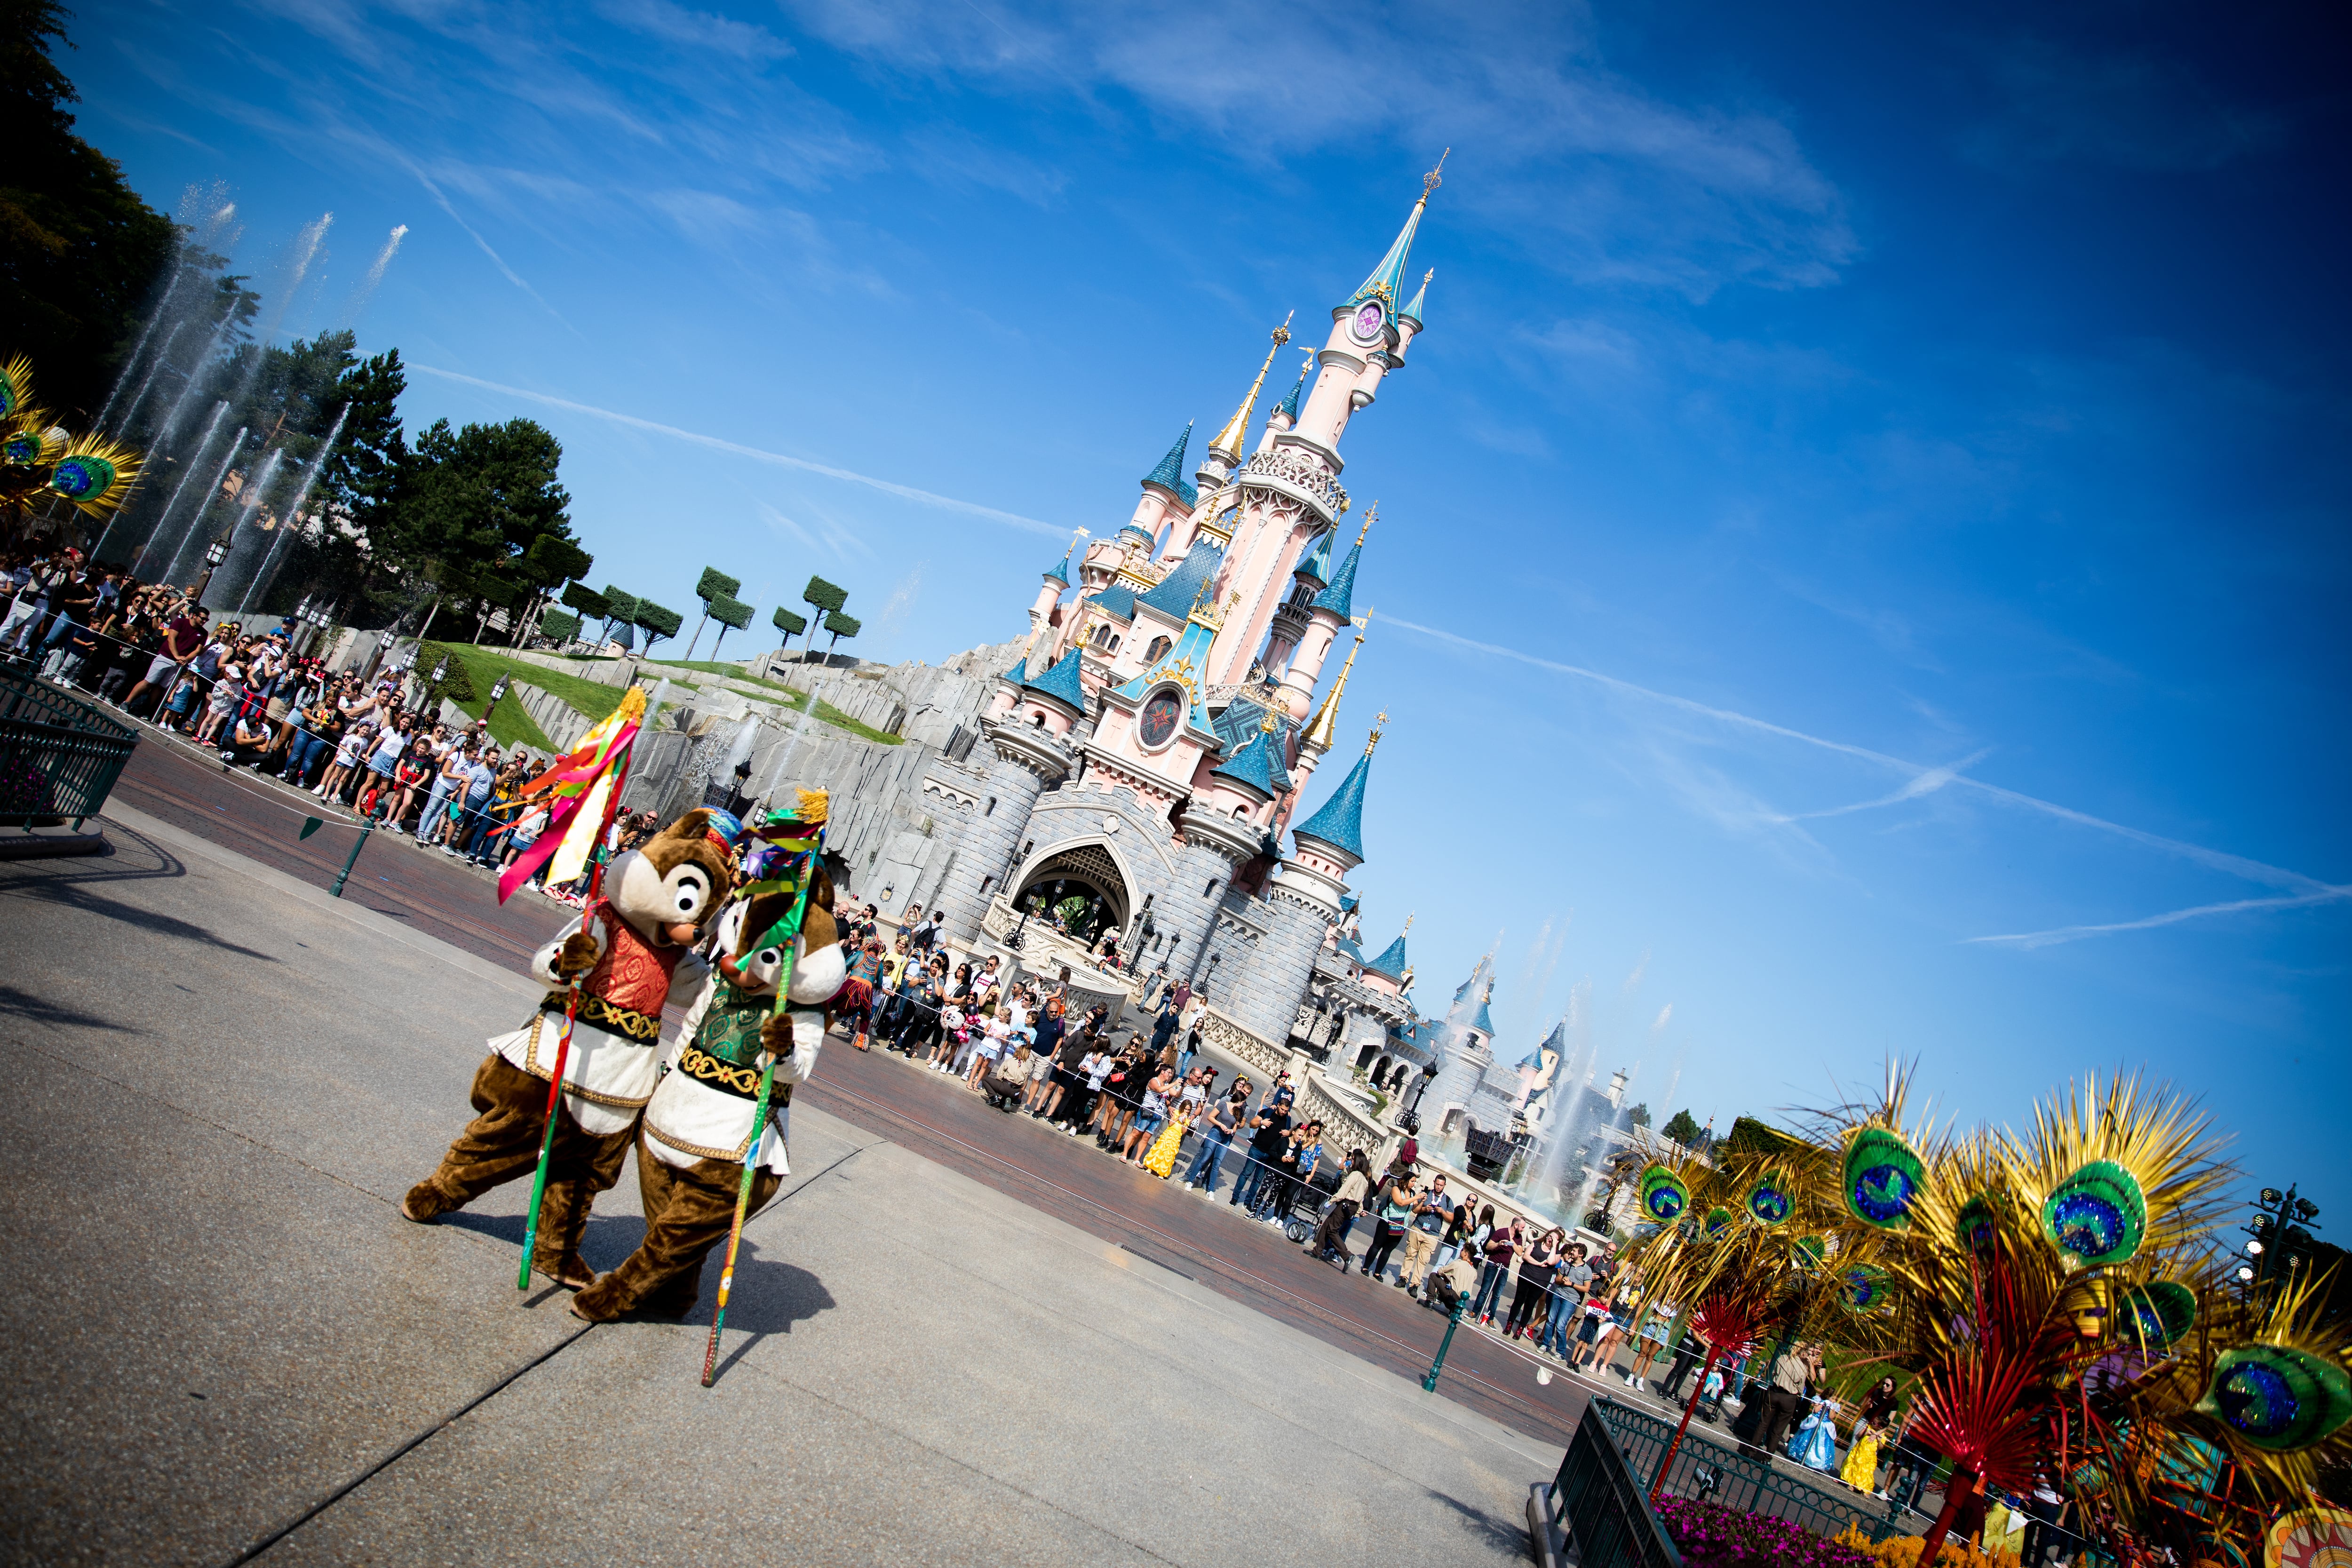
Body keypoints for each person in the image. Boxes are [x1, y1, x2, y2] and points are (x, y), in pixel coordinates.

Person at [402, 809, 745, 1289]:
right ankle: (442, 1189)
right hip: (566, 1050)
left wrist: (746, 983)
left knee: (582, 1174)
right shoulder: (603, 920)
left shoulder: (676, 956)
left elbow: (701, 992)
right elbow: (546, 962)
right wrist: (567, 963)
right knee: (507, 1138)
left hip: (621, 1074)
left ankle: (555, 1249)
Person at [572, 854, 848, 1323]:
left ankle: (620, 1291)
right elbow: (692, 1027)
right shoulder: (720, 980)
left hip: (732, 1139)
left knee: (677, 1234)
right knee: (666, 1223)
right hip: (673, 1115)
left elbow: (797, 1070)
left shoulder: (803, 1010)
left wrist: (780, 1052)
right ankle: (674, 1295)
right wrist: (668, 1075)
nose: (741, 966)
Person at [1228, 1082, 1293, 1213]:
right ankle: (1235, 1198)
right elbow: (1252, 1124)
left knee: (1258, 1180)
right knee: (1246, 1173)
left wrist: (1289, 1133)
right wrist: (1262, 1122)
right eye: (1282, 1110)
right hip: (1257, 1149)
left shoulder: (1287, 1120)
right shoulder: (1267, 1112)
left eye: (1286, 1111)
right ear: (1278, 1105)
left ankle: (1248, 1202)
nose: (1284, 1113)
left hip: (1270, 1154)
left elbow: (1291, 1137)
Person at [1306, 1150, 1370, 1264]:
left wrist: (1332, 1201)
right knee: (1327, 1225)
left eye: (1353, 1159)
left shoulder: (1355, 1175)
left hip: (1346, 1204)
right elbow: (1361, 1199)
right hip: (1353, 1207)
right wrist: (1358, 1212)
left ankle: (1347, 1255)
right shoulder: (1365, 1180)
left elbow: (1344, 1190)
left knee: (1332, 1230)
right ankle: (1318, 1251)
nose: (1351, 1161)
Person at [1398, 1174, 1456, 1297]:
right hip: (1418, 1228)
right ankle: (1403, 1278)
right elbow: (1415, 1210)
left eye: (1441, 1185)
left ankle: (1415, 1285)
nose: (1439, 1187)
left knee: (1423, 1261)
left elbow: (1451, 1219)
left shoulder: (1448, 1201)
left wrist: (1443, 1212)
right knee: (1410, 1254)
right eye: (1437, 1184)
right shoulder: (1426, 1194)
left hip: (1433, 1235)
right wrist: (1425, 1209)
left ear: (1445, 1186)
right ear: (1434, 1182)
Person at [1361, 1172, 1416, 1284]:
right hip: (1388, 1222)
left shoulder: (1413, 1193)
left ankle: (1378, 1272)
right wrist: (1416, 1198)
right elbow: (1400, 1202)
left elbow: (1415, 1210)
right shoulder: (1396, 1189)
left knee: (1388, 1250)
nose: (1414, 1184)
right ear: (1406, 1181)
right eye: (1413, 1181)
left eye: (1415, 1182)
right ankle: (1366, 1267)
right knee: (1377, 1245)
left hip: (1401, 1226)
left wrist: (1422, 1203)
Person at [1506, 1228, 1563, 1336]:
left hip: (1540, 1282)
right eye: (1550, 1236)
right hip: (1526, 1275)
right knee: (1519, 1300)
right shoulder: (1536, 1244)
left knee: (1530, 1304)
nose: (1550, 1239)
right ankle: (1509, 1324)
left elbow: (1551, 1262)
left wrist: (1554, 1247)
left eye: (1554, 1239)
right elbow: (1526, 1256)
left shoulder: (1557, 1253)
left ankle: (1520, 1329)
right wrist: (1538, 1264)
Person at [1471, 1213, 1520, 1324]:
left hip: (1505, 1269)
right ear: (1516, 1226)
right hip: (1493, 1265)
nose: (1523, 1230)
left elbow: (1520, 1252)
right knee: (1485, 1290)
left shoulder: (1519, 1238)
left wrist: (1512, 1243)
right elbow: (1488, 1246)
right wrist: (1499, 1244)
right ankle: (1475, 1311)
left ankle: (1490, 1318)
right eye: (1522, 1228)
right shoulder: (1501, 1232)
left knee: (1497, 1295)